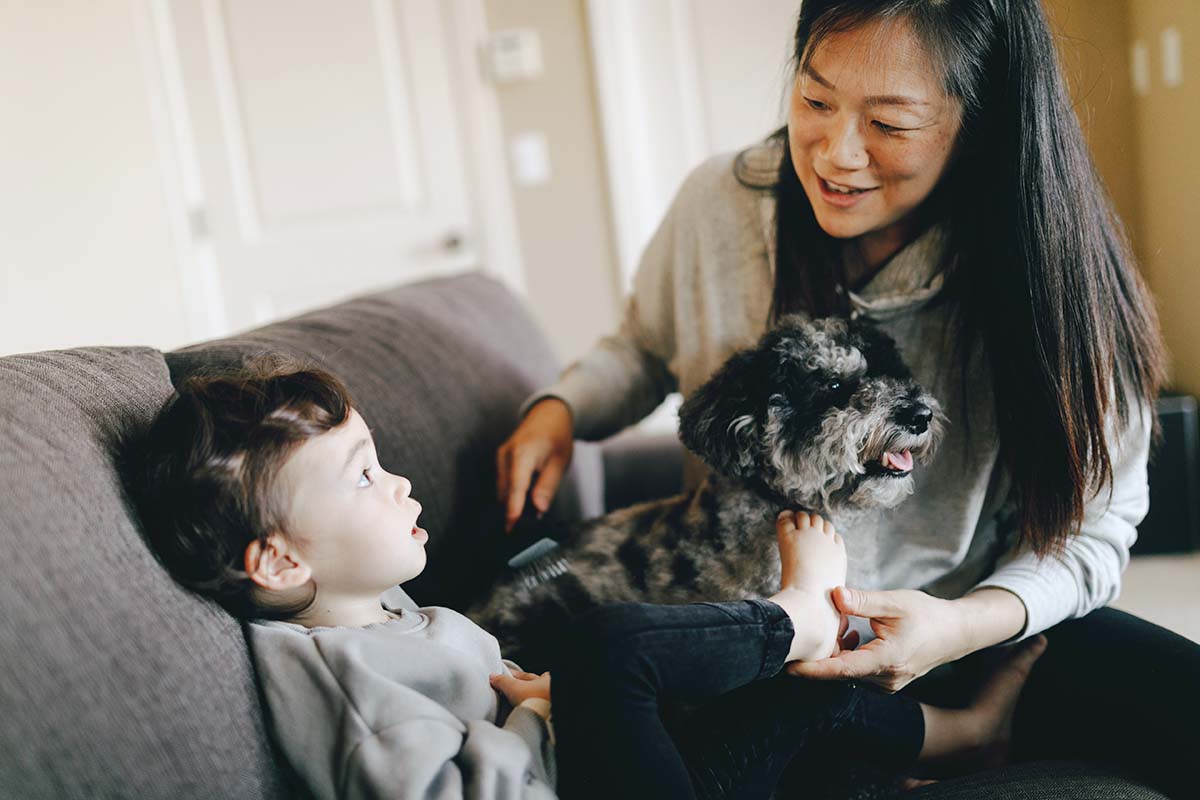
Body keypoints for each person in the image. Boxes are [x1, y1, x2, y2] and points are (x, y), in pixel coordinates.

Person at [497, 0, 1198, 796]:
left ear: (983, 123)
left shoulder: (1055, 276)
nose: (835, 154)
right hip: (776, 636)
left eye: (890, 124)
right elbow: (641, 346)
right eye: (816, 100)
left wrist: (963, 624)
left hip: (971, 626)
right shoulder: (720, 206)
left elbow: (1094, 533)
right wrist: (558, 411)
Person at [127, 366, 1046, 800]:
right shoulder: (335, 675)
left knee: (770, 687)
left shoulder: (375, 613)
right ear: (284, 562)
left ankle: (960, 739)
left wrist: (542, 704)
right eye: (364, 476)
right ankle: (795, 614)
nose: (400, 481)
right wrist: (549, 712)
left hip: (632, 772)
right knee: (608, 645)